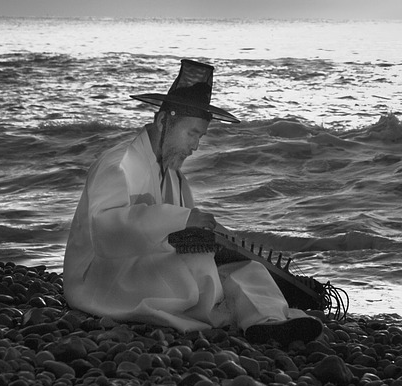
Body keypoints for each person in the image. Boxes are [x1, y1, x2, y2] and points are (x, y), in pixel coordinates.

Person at [62, 58, 323, 344]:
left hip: (142, 265)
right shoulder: (119, 164)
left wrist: (223, 237)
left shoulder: (174, 176)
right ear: (163, 121)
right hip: (99, 278)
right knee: (201, 267)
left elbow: (187, 233)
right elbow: (105, 229)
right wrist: (182, 220)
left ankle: (269, 321)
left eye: (201, 136)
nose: (196, 146)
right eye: (192, 133)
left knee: (247, 268)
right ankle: (239, 315)